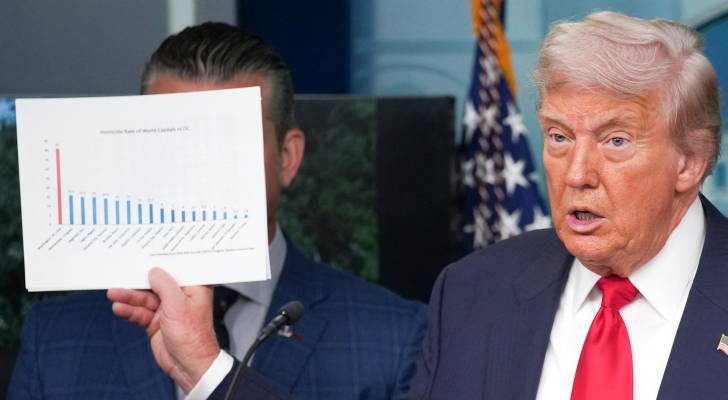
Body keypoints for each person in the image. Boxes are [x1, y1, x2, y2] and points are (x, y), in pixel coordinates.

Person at [8, 22, 426, 400]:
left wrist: (207, 371)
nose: (193, 167)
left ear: (287, 157)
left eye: (226, 140)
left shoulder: (393, 337)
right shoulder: (56, 338)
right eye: (168, 138)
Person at [406, 11, 728, 399]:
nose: (576, 174)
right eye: (559, 137)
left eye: (616, 141)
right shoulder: (470, 293)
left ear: (690, 162)